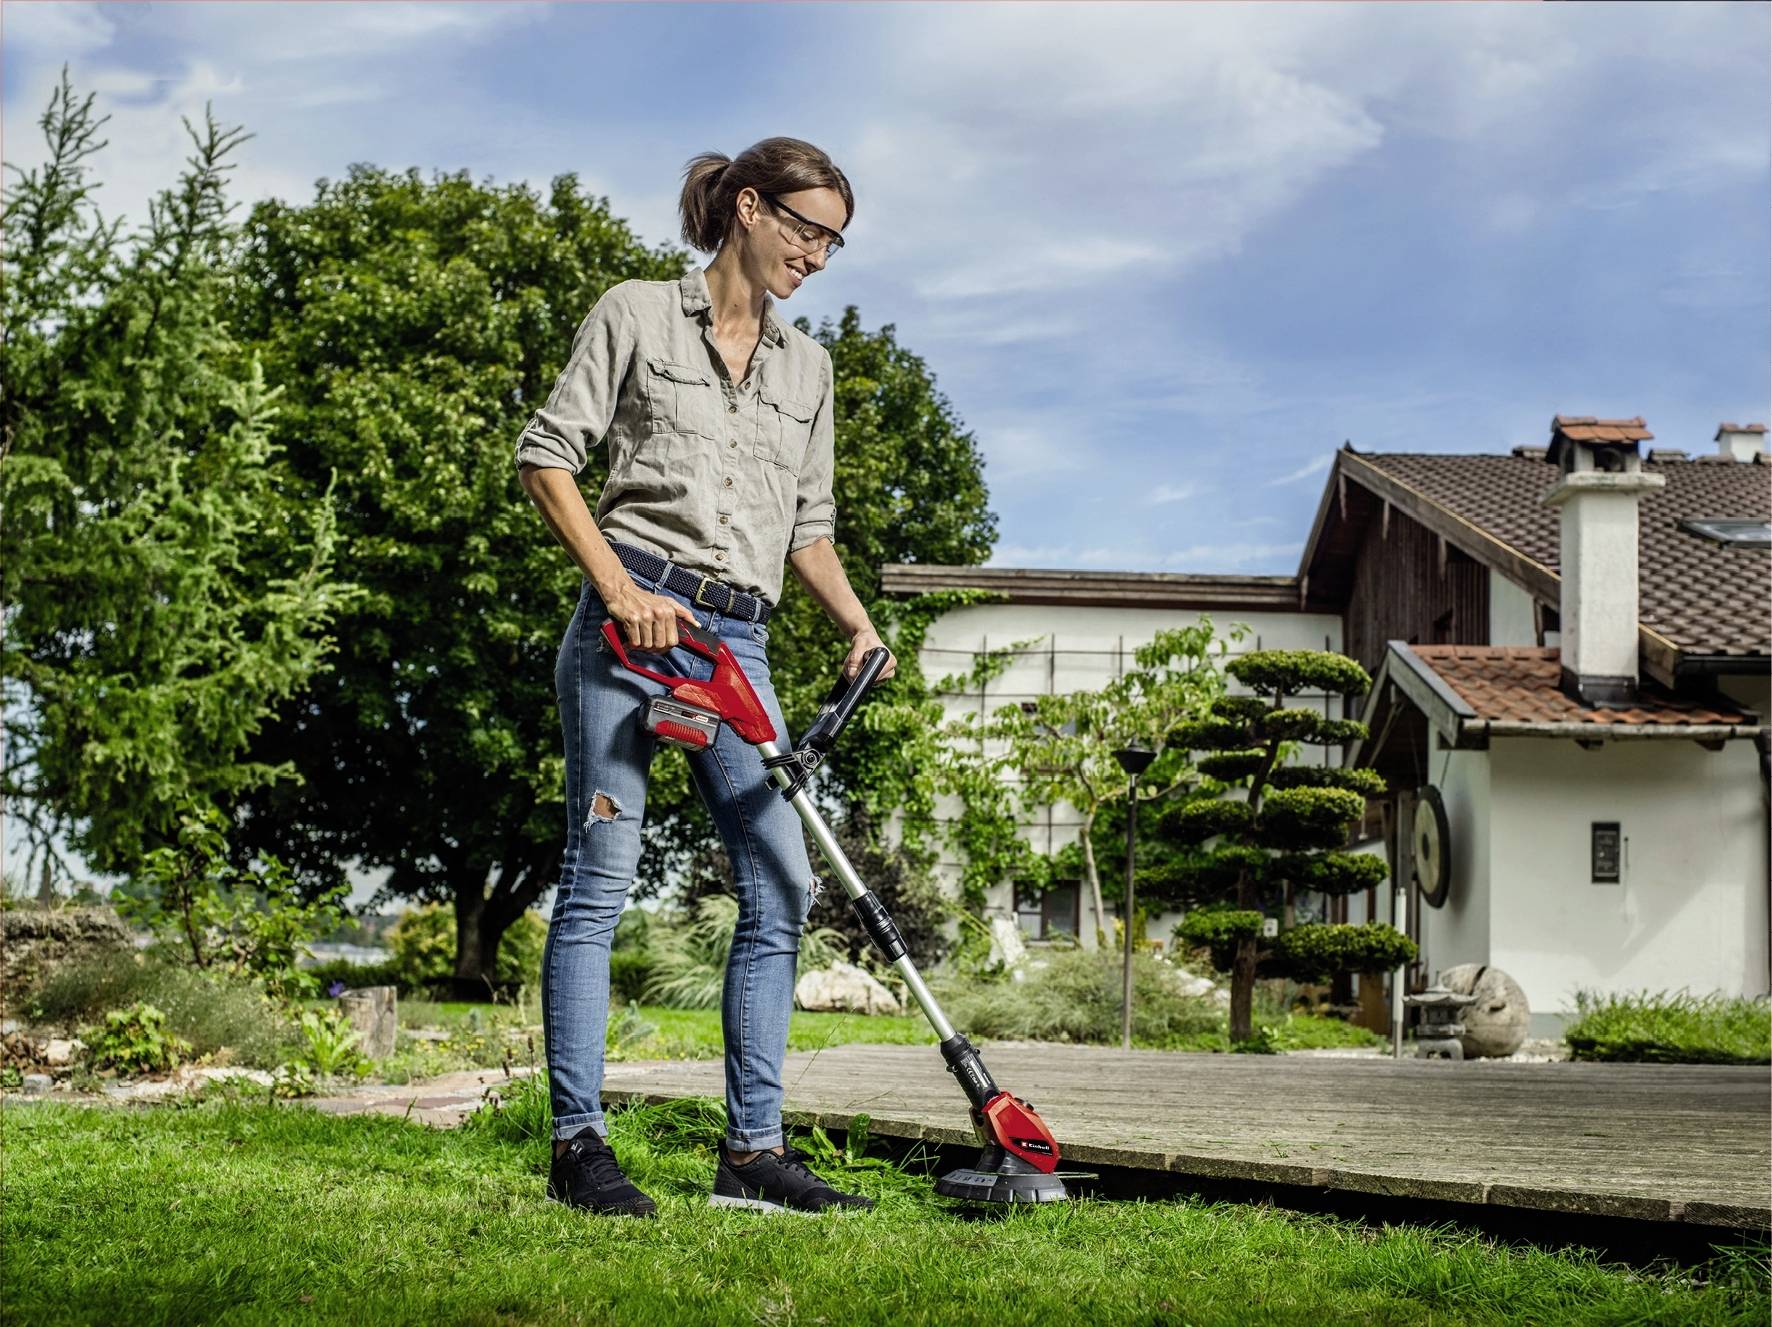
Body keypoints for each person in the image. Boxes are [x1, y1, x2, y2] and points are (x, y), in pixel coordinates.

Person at [515, 137, 895, 1218]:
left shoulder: (807, 369)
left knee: (781, 881)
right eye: (805, 228)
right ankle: (578, 1143)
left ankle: (751, 1154)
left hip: (740, 648)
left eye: (834, 240)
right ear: (746, 206)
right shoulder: (635, 312)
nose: (818, 256)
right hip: (629, 628)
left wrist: (857, 624)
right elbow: (548, 456)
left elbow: (807, 530)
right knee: (600, 877)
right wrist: (619, 588)